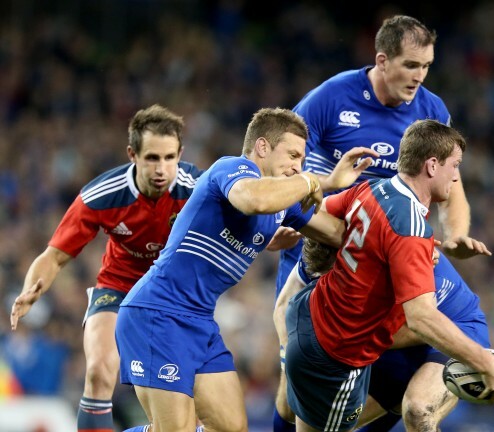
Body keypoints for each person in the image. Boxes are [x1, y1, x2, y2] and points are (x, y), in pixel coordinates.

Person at [272, 15, 489, 431]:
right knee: (292, 396)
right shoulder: (331, 99)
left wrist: (456, 233)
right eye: (411, 65)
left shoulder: (431, 110)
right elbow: (282, 163)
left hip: (390, 258)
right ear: (382, 60)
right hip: (326, 254)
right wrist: (285, 216)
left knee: (386, 369)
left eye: (426, 67)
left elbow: (451, 181)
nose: (419, 77)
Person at [114, 107, 380, 432]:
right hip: (158, 312)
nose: (298, 165)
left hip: (199, 322)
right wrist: (313, 180)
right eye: (293, 154)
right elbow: (252, 199)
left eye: (303, 159)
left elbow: (339, 234)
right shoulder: (233, 168)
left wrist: (404, 245)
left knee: (231, 428)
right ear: (263, 147)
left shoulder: (283, 204)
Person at [283, 119, 494, 432]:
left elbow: (320, 209)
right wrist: (487, 364)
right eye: (455, 165)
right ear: (432, 166)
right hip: (339, 346)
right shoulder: (409, 227)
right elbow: (420, 318)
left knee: (413, 412)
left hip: (316, 319)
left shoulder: (370, 189)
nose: (456, 175)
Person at [10, 104, 203, 432]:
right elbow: (54, 256)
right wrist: (32, 288)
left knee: (183, 407)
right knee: (99, 371)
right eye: (152, 158)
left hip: (174, 294)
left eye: (170, 158)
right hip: (118, 287)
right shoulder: (103, 194)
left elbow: (243, 219)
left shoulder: (197, 188)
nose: (162, 168)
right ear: (132, 154)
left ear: (180, 153)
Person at [275, 237, 491, 431]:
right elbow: (284, 304)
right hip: (393, 339)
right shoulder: (321, 251)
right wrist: (288, 370)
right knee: (316, 422)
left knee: (418, 411)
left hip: (452, 328)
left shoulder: (398, 262)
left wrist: (484, 363)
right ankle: (397, 396)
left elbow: (422, 326)